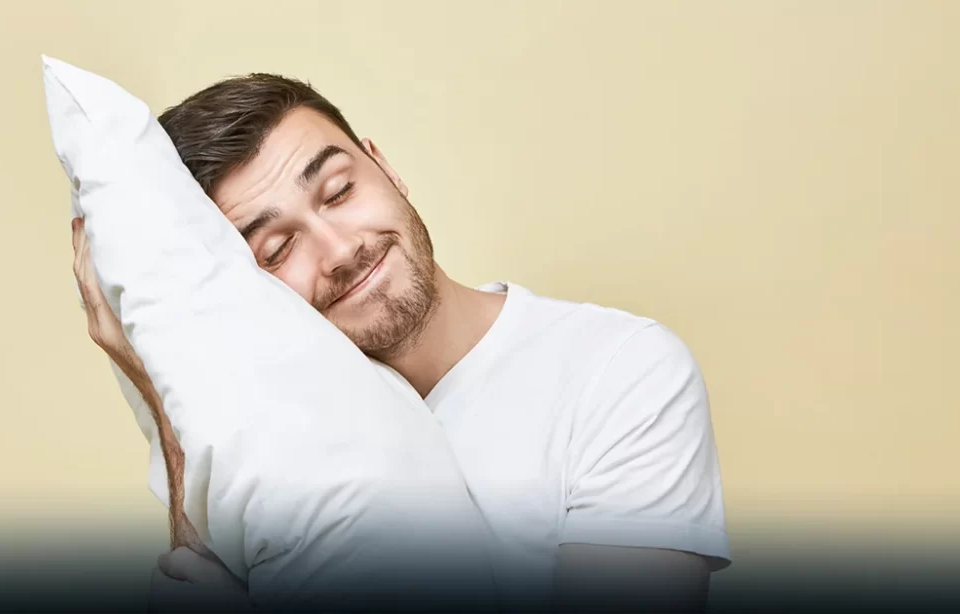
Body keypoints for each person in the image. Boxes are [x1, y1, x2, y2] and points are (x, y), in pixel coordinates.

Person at [69, 73, 731, 612]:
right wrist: (164, 391)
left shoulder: (619, 371)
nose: (339, 249)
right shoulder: (275, 444)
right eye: (276, 249)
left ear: (384, 167)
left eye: (339, 192)